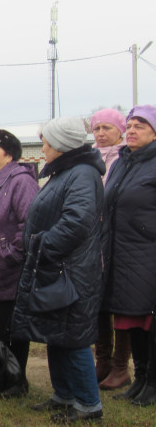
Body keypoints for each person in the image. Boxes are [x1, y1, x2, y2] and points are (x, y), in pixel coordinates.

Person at [12, 116, 105, 423]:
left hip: (71, 271)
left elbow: (77, 221)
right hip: (57, 269)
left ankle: (89, 404)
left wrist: (40, 246)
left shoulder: (81, 174)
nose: (44, 147)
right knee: (57, 333)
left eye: (47, 143)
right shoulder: (65, 172)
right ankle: (64, 395)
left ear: (62, 146)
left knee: (74, 337)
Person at [102, 105, 156, 406]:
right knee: (130, 316)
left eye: (141, 125)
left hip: (148, 251)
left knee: (148, 318)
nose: (132, 130)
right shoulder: (123, 162)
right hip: (121, 251)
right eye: (130, 124)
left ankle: (153, 382)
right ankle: (140, 376)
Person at [0, 129, 39, 397]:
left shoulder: (20, 182)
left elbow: (31, 224)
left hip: (10, 269)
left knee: (11, 327)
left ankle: (16, 382)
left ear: (9, 154)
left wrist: (10, 252)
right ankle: (0, 379)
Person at [91, 108, 132, 390]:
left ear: (120, 130)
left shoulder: (125, 157)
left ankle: (120, 363)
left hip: (118, 239)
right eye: (97, 128)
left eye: (107, 128)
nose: (102, 133)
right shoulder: (90, 158)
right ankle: (102, 360)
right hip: (94, 238)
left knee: (120, 302)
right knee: (99, 302)